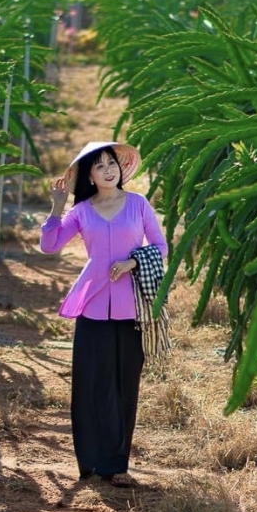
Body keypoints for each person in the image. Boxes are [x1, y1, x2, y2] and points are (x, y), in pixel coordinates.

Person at [40, 141, 168, 486]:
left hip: (132, 309)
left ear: (120, 168)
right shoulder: (81, 211)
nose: (108, 170)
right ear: (90, 177)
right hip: (92, 308)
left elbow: (161, 246)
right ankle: (90, 462)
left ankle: (116, 464)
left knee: (125, 387)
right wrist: (57, 206)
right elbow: (50, 245)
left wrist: (132, 262)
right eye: (99, 166)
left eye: (111, 163)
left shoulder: (138, 204)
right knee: (91, 384)